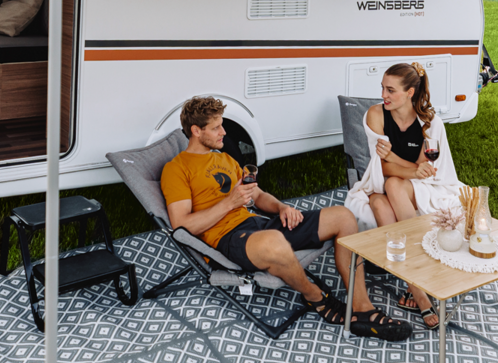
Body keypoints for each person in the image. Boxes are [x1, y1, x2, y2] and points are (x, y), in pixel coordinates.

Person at [162, 95, 412, 341]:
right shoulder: (177, 168)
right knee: (273, 241)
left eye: (222, 124)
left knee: (343, 217)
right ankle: (317, 297)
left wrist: (282, 208)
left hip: (256, 225)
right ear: (196, 130)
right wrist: (230, 202)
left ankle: (362, 308)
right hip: (228, 239)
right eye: (216, 127)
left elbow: (257, 195)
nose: (224, 132)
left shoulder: (225, 158)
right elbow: (182, 226)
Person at [343, 61, 464, 329]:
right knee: (377, 200)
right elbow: (383, 167)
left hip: (423, 187)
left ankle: (416, 283)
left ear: (410, 92)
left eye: (391, 90)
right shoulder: (375, 115)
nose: (383, 95)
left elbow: (427, 172)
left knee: (395, 186)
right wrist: (407, 167)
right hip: (382, 183)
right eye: (382, 88)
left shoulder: (430, 123)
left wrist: (399, 162)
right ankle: (418, 285)